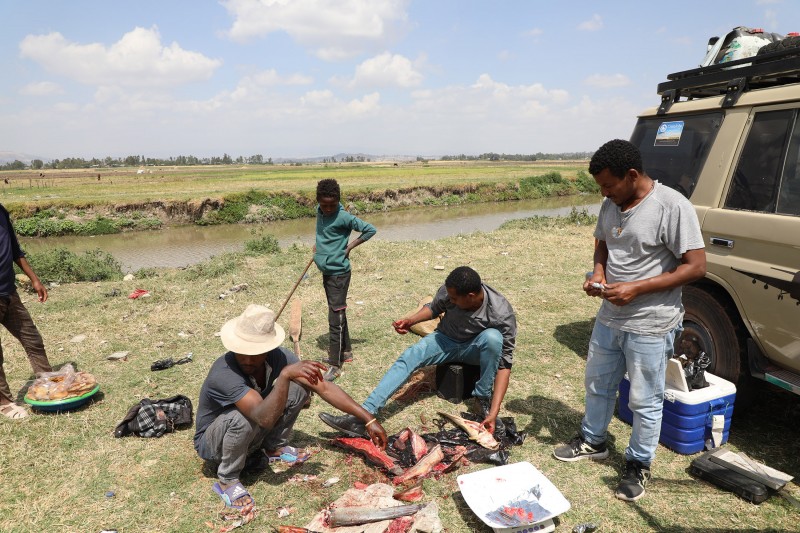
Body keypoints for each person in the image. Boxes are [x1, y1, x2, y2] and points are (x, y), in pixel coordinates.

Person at [553, 139, 706, 502]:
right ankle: (593, 441)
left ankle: (638, 464)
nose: (604, 193)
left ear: (632, 175)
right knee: (597, 383)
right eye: (600, 187)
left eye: (608, 185)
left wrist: (637, 288)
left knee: (645, 398)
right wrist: (598, 274)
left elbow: (697, 266)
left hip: (652, 323)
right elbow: (602, 243)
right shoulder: (611, 203)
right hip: (610, 316)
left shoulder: (672, 206)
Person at [194, 304, 387, 509]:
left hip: (252, 432)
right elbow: (263, 418)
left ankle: (274, 447)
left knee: (300, 388)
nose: (248, 359)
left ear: (268, 349)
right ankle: (228, 478)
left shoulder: (280, 356)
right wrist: (285, 375)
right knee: (244, 416)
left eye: (255, 352)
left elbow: (324, 387)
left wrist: (369, 419)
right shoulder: (223, 373)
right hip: (215, 444)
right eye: (242, 351)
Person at [319, 265, 516, 437]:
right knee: (409, 356)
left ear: (471, 296)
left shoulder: (500, 312)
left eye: (455, 299)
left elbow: (504, 365)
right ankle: (363, 416)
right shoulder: (451, 292)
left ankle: (483, 400)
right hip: (445, 340)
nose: (451, 301)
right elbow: (434, 308)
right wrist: (411, 320)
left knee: (493, 338)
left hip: (476, 348)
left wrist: (494, 412)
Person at [313, 178, 376, 380]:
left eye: (332, 204)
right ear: (318, 202)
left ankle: (335, 364)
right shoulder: (319, 212)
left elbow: (370, 230)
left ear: (339, 200)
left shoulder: (344, 217)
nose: (329, 208)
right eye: (325, 204)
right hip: (326, 270)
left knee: (335, 317)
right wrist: (319, 249)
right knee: (337, 309)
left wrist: (349, 247)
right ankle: (346, 351)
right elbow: (325, 235)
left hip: (339, 273)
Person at [0, 203, 51, 420]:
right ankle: (4, 402)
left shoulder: (1, 212)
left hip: (9, 292)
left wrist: (35, 279)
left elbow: (15, 250)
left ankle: (48, 383)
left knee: (32, 339)